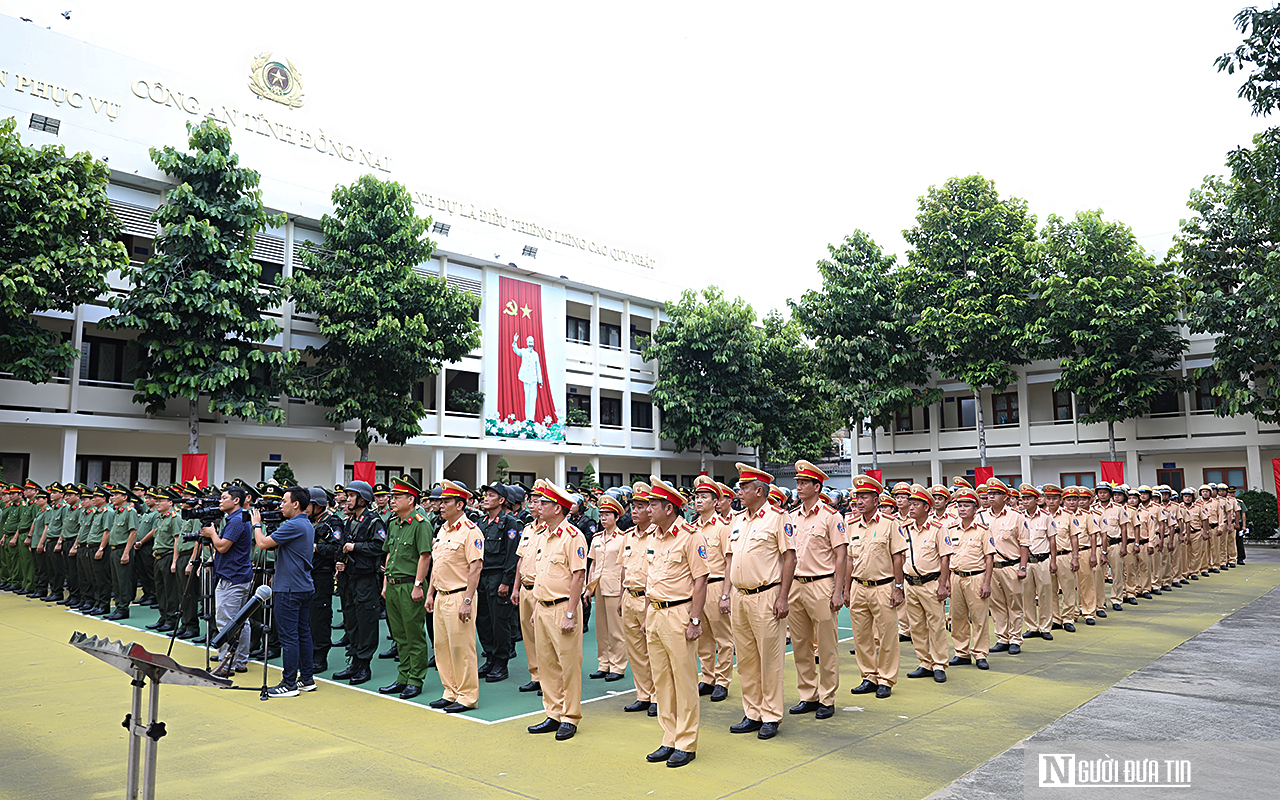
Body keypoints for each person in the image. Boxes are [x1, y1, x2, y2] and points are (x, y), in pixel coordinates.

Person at [723, 463, 796, 739]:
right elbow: (731, 559)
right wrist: (727, 593)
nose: (739, 492)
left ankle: (771, 715)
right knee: (746, 659)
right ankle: (752, 712)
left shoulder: (778, 518)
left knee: (770, 659)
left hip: (767, 595)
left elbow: (790, 557)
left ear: (759, 490)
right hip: (740, 596)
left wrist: (783, 596)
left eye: (743, 487)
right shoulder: (738, 520)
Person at [641, 476, 709, 768]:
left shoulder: (690, 536)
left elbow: (701, 579)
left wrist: (695, 619)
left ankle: (686, 741)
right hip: (656, 613)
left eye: (653, 504)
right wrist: (646, 614)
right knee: (662, 681)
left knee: (683, 680)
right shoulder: (653, 536)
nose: (648, 509)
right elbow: (651, 578)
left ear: (669, 508)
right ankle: (668, 737)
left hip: (679, 613)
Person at [521, 479, 588, 741]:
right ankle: (553, 712)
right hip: (544, 606)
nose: (539, 506)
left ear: (558, 508)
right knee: (547, 663)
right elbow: (540, 576)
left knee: (568, 664)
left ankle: (570, 717)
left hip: (563, 607)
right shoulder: (543, 537)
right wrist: (537, 606)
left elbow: (578, 576)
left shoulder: (572, 537)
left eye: (545, 503)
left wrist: (571, 613)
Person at [787, 460, 846, 717]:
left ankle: (827, 697)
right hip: (796, 586)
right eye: (797, 483)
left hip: (821, 583)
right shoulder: (791, 516)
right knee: (800, 645)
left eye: (803, 483)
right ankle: (808, 694)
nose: (798, 487)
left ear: (816, 486)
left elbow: (841, 555)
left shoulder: (831, 517)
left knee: (826, 645)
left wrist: (838, 590)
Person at [425, 480, 485, 712]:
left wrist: (468, 600)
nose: (441, 505)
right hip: (441, 595)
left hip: (460, 595)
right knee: (442, 647)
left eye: (446, 501)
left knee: (462, 648)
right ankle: (450, 691)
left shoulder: (471, 532)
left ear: (460, 504)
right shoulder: (442, 529)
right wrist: (431, 593)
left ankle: (467, 695)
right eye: (440, 501)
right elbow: (437, 564)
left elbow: (475, 567)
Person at [250, 486, 315, 696]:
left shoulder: (293, 525)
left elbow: (261, 544)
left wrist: (257, 524)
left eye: (284, 502)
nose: (280, 506)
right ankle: (306, 678)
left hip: (288, 588)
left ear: (296, 504)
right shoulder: (305, 524)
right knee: (303, 633)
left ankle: (289, 684)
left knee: (289, 637)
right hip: (303, 585)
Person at [846, 474, 907, 698]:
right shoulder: (851, 525)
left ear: (876, 500)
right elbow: (849, 560)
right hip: (858, 586)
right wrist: (846, 588)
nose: (860, 501)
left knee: (888, 634)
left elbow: (898, 558)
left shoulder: (890, 524)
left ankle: (886, 679)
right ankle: (869, 676)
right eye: (857, 497)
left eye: (865, 497)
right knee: (861, 636)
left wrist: (898, 587)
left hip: (884, 586)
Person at [380, 475, 434, 701]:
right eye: (391, 497)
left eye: (397, 497)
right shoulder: (393, 522)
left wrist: (419, 585)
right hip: (392, 585)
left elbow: (425, 556)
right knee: (399, 635)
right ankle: (402, 676)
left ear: (411, 499)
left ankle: (415, 679)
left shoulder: (421, 523)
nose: (392, 501)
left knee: (414, 635)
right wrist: (385, 583)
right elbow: (390, 553)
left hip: (410, 585)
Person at [899, 484, 954, 683]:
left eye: (916, 504)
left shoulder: (938, 529)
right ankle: (925, 662)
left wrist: (943, 584)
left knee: (936, 625)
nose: (911, 507)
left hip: (930, 582)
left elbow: (945, 558)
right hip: (910, 583)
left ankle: (939, 664)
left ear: (926, 507)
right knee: (916, 626)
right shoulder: (904, 529)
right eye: (910, 503)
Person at [333, 480, 385, 685]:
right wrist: (340, 562)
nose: (348, 499)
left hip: (366, 580)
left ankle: (364, 664)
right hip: (349, 579)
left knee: (366, 622)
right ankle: (354, 660)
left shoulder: (374, 521)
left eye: (352, 496)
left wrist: (355, 547)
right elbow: (342, 545)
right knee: (352, 620)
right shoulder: (349, 520)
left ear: (362, 498)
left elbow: (379, 547)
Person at [206, 485, 254, 678]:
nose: (220, 501)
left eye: (224, 497)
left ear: (236, 500)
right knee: (242, 621)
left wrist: (211, 534)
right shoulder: (238, 517)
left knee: (227, 622)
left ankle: (227, 664)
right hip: (239, 575)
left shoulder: (236, 520)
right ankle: (240, 661)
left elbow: (223, 547)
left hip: (232, 577)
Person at [617, 482, 657, 715]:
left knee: (653, 650)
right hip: (630, 596)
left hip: (649, 599)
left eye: (640, 506)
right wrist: (623, 595)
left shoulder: (656, 535)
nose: (634, 511)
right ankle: (643, 694)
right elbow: (625, 567)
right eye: (633, 506)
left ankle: (656, 697)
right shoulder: (628, 535)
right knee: (636, 650)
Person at [475, 483, 521, 684]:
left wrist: (506, 582)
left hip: (498, 578)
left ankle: (501, 662)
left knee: (499, 621)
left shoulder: (510, 523)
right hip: (481, 577)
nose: (485, 498)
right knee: (483, 620)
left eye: (491, 495)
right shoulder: (481, 522)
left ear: (501, 500)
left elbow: (513, 556)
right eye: (485, 495)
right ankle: (490, 656)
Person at [692, 477, 732, 703]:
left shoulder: (723, 528)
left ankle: (723, 680)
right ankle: (707, 678)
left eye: (704, 497)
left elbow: (729, 563)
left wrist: (726, 594)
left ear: (715, 501)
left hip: (716, 585)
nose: (699, 500)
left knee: (723, 638)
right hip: (698, 587)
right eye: (697, 496)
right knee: (703, 637)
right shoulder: (692, 528)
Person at [944, 488, 993, 669]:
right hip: (956, 577)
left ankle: (980, 653)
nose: (962, 509)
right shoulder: (950, 530)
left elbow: (989, 557)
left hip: (976, 577)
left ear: (975, 509)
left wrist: (987, 582)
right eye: (960, 506)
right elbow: (947, 557)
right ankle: (961, 652)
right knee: (957, 617)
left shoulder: (983, 530)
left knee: (979, 617)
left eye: (966, 506)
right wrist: (947, 581)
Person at [985, 479, 1029, 655]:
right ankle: (1002, 638)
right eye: (989, 494)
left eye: (995, 494)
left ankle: (1015, 639)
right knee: (996, 605)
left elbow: (1024, 543)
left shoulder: (1016, 516)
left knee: (1014, 604)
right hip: (991, 568)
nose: (991, 497)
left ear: (1005, 497)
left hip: (1011, 565)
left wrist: (1023, 567)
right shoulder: (982, 516)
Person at [587, 494, 628, 682]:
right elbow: (593, 565)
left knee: (616, 629)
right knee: (601, 628)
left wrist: (623, 592)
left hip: (614, 588)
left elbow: (625, 567)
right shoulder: (596, 538)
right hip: (599, 587)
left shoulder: (623, 538)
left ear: (617, 517)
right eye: (601, 515)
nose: (603, 518)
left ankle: (618, 666)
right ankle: (604, 663)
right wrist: (588, 587)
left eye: (607, 515)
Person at [511, 483, 547, 693]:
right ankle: (536, 674)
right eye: (531, 500)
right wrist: (516, 587)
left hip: (541, 589)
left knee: (544, 635)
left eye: (537, 501)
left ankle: (548, 676)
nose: (532, 505)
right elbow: (520, 561)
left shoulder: (550, 531)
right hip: (525, 587)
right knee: (529, 634)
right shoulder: (527, 528)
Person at [307, 488, 343, 674]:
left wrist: (315, 548)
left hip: (322, 575)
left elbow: (337, 547)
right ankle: (309, 654)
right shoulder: (310, 521)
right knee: (308, 617)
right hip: (308, 574)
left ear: (318, 505)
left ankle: (320, 656)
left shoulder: (331, 522)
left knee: (319, 616)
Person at [1019, 484, 1056, 640]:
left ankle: (1045, 627)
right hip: (1026, 562)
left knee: (1045, 595)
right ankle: (1032, 626)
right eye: (1024, 499)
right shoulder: (1019, 517)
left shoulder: (1046, 516)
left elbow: (1052, 539)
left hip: (1042, 560)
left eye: (1029, 499)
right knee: (1027, 596)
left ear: (1036, 499)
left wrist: (1053, 561)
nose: (1026, 502)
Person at [512, 333, 544, 422]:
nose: (530, 343)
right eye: (529, 341)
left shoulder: (535, 354)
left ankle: (531, 418)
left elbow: (538, 367)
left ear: (533, 343)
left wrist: (540, 380)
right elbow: (516, 351)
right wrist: (515, 342)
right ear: (527, 342)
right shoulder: (524, 351)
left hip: (534, 378)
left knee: (533, 398)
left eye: (532, 341)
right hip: (526, 377)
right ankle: (527, 418)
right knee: (527, 398)